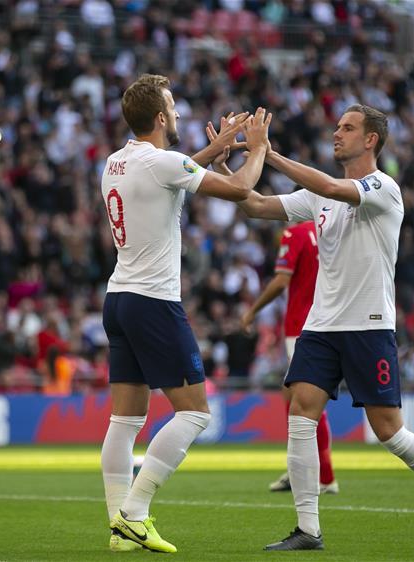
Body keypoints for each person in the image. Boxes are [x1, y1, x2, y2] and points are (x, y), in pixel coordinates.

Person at [236, 104, 414, 551]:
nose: (336, 132)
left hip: (368, 325)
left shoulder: (383, 187)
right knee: (301, 412)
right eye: (337, 126)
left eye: (348, 128)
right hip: (322, 325)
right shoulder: (319, 197)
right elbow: (255, 205)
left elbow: (328, 184)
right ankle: (308, 530)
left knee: (389, 431)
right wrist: (224, 167)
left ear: (371, 140)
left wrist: (268, 154)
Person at [99, 73, 272, 554]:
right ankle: (135, 513)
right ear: (160, 118)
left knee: (125, 421)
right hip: (154, 302)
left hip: (119, 299)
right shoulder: (163, 163)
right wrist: (255, 147)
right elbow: (239, 190)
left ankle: (119, 527)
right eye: (173, 110)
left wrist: (209, 152)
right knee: (195, 413)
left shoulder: (116, 161)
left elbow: (167, 176)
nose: (177, 116)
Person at [240, 219, 339, 495]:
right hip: (329, 321)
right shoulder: (328, 230)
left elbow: (282, 279)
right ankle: (303, 471)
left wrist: (252, 311)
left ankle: (323, 476)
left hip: (302, 326)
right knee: (292, 396)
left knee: (307, 403)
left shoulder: (294, 232)